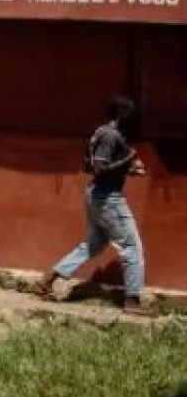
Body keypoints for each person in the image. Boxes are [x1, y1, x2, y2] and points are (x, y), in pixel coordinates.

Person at [37, 95, 150, 316]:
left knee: (93, 245)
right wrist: (128, 160)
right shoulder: (111, 135)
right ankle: (132, 300)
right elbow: (99, 168)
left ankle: (48, 279)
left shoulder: (100, 132)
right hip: (108, 198)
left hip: (97, 195)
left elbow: (91, 166)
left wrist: (127, 170)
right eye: (131, 114)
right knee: (132, 248)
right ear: (123, 113)